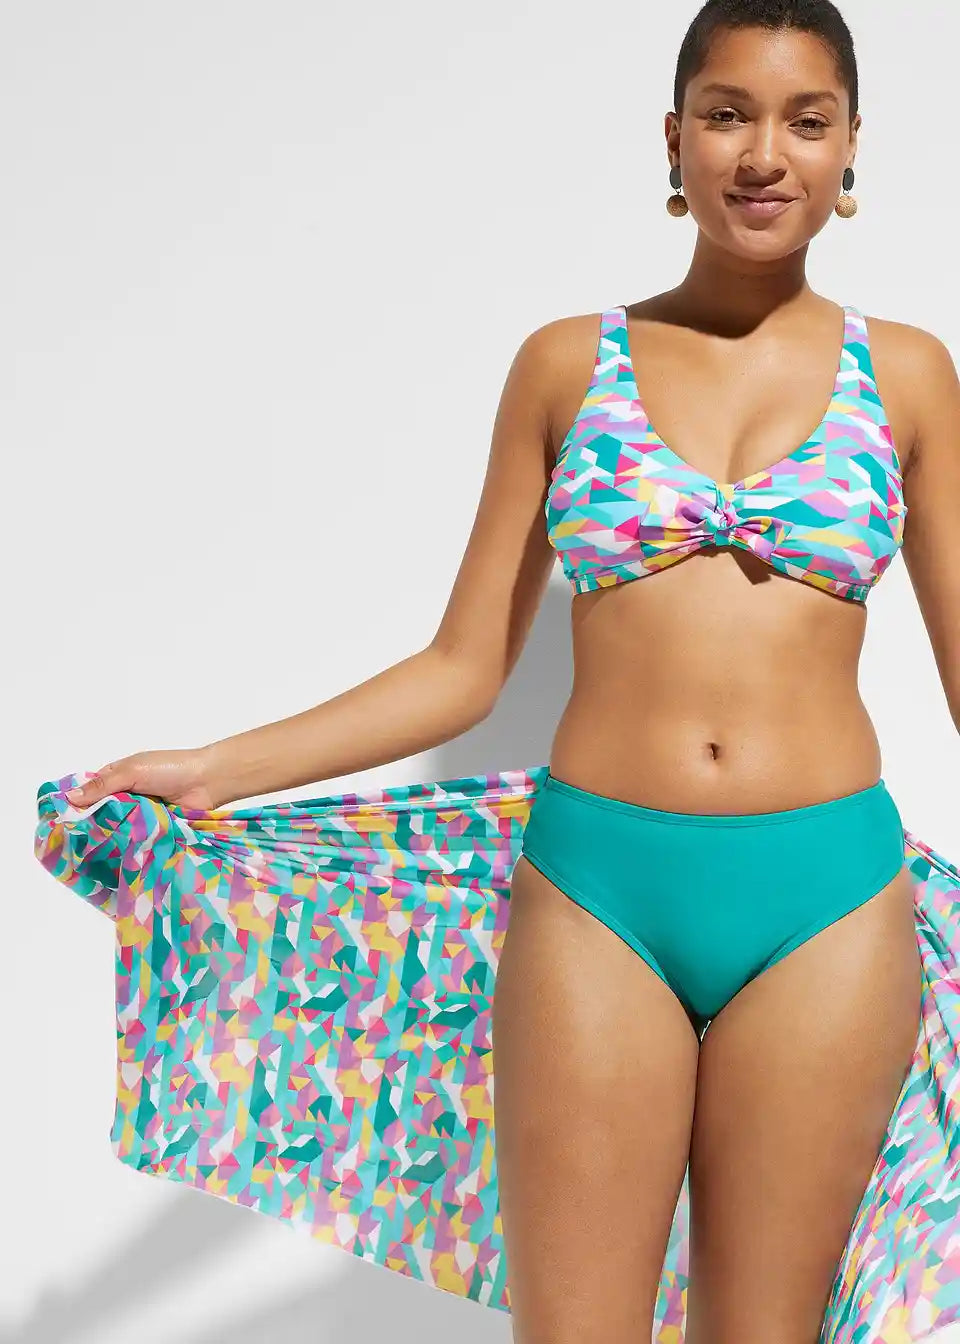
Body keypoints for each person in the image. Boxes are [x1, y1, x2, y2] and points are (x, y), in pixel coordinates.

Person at [35, 0, 960, 1340]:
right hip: (599, 895)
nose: (765, 153)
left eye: (804, 122)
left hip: (828, 901)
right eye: (728, 115)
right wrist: (214, 769)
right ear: (675, 139)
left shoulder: (913, 376)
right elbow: (464, 668)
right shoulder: (569, 365)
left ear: (851, 145)